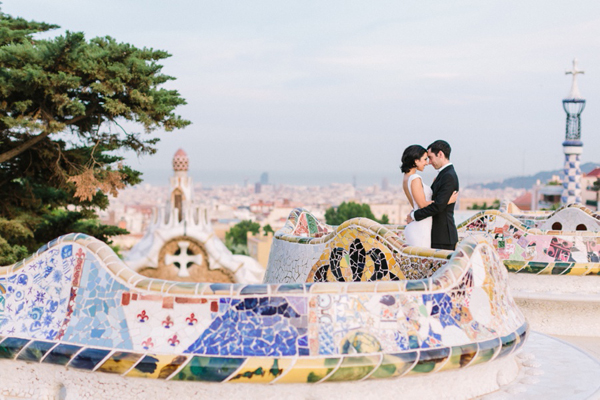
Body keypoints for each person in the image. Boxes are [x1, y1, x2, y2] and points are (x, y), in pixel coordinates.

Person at [406, 140, 460, 250]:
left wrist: (414, 216)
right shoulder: (444, 174)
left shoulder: (448, 176)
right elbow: (436, 201)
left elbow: (438, 206)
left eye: (430, 157)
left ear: (440, 154)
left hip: (443, 236)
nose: (429, 162)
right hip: (437, 235)